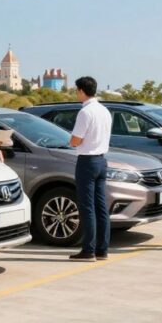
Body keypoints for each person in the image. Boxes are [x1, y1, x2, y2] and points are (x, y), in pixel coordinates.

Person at [67, 76, 114, 262]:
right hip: (102, 161)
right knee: (101, 206)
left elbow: (75, 140)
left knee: (87, 207)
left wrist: (71, 142)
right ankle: (102, 249)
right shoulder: (104, 111)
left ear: (81, 90)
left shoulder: (85, 112)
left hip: (87, 161)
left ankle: (88, 250)